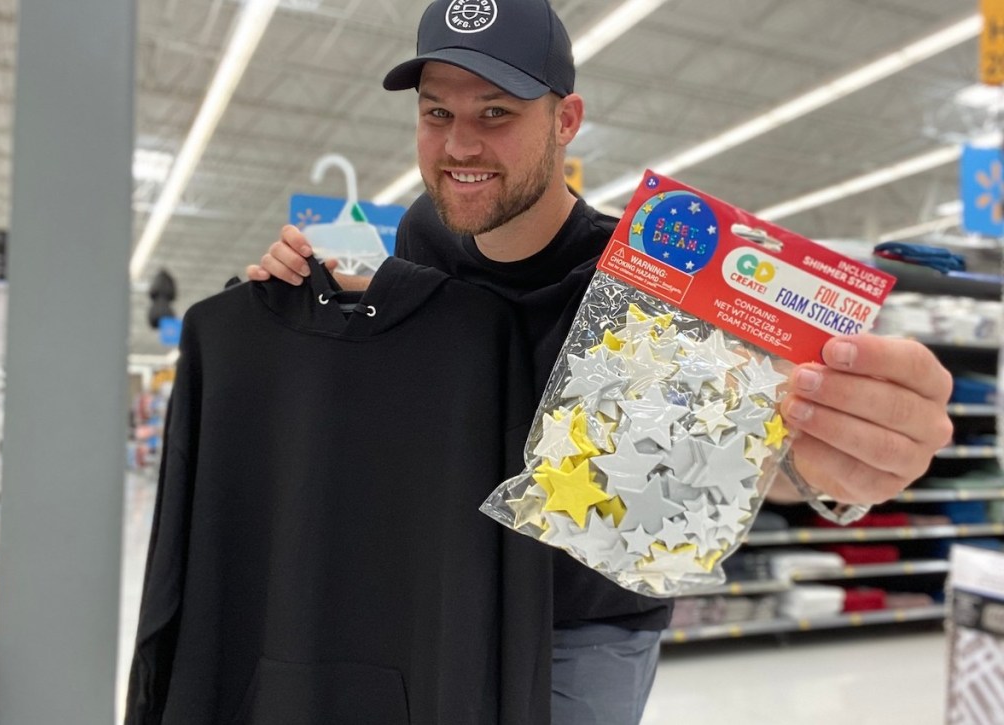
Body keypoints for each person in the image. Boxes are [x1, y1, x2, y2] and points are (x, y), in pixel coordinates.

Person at [247, 0, 954, 721]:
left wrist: (823, 464)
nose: (460, 146)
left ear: (566, 120)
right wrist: (319, 297)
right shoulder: (422, 230)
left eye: (495, 113)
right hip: (448, 597)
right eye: (437, 114)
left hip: (583, 624)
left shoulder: (641, 281)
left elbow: (711, 456)